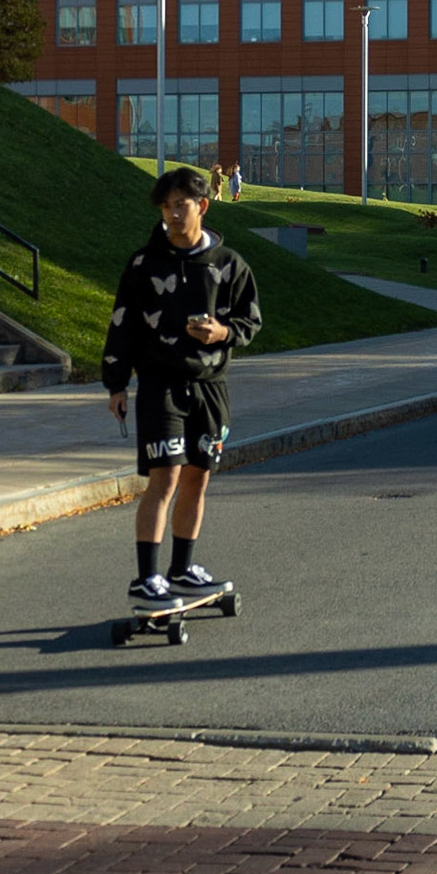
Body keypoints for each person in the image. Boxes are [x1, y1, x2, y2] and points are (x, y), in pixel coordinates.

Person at [103, 167, 262, 607]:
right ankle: (146, 578)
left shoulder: (230, 265)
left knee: (197, 478)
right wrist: (116, 383)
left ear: (202, 206)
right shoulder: (143, 265)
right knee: (164, 478)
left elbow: (251, 320)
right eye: (166, 207)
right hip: (160, 385)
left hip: (211, 387)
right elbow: (122, 325)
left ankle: (182, 569)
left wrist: (222, 333)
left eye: (181, 205)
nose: (172, 214)